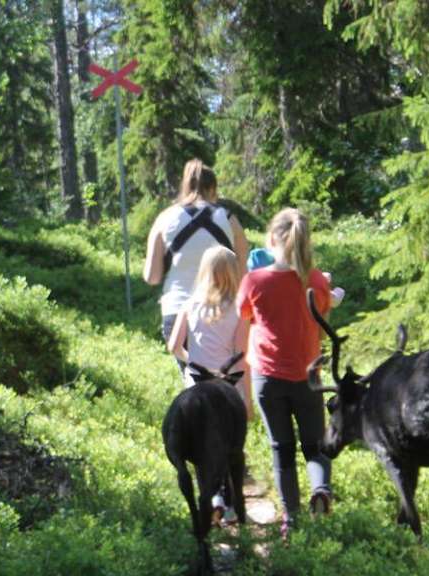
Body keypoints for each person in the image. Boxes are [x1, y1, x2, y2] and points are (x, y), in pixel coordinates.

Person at [236, 207, 334, 539]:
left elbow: (245, 313)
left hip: (267, 377)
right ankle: (321, 489)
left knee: (282, 448)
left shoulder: (254, 281)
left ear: (273, 239)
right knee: (315, 447)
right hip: (307, 376)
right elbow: (321, 312)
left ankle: (290, 520)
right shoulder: (317, 281)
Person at [167, 245, 252, 523]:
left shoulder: (190, 304)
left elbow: (173, 346)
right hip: (227, 387)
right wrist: (247, 399)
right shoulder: (240, 310)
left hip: (196, 384)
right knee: (231, 447)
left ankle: (211, 499)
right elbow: (241, 358)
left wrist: (193, 361)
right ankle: (229, 505)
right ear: (233, 273)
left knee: (203, 448)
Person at [143, 159, 249, 361]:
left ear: (186, 186)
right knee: (225, 383)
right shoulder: (229, 219)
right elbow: (243, 274)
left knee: (193, 382)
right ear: (212, 188)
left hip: (176, 310)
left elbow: (152, 277)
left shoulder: (164, 219)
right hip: (222, 314)